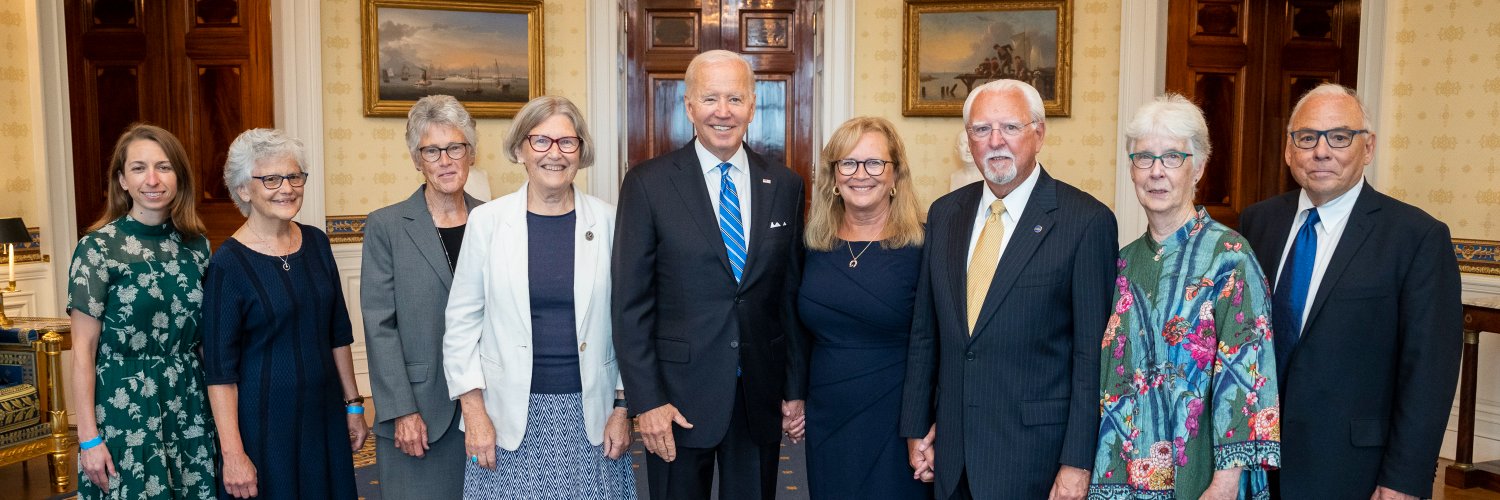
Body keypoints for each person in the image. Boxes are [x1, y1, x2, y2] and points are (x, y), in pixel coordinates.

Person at [1239, 83, 1462, 500]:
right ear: (1289, 150)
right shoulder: (1258, 222)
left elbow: (1429, 375)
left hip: (1354, 470)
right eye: (1307, 138)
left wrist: (1404, 480)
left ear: (1368, 147)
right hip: (1260, 461)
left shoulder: (1416, 237)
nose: (1321, 151)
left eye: (1339, 137)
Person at [899, 79, 1116, 499]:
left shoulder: (1086, 222)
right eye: (981, 130)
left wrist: (1078, 462)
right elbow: (926, 333)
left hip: (1036, 458)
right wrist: (915, 426)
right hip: (952, 453)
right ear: (969, 140)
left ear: (1039, 133)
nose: (995, 142)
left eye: (1010, 128)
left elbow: (1092, 357)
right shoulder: (945, 214)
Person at [612, 49, 809, 500]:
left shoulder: (785, 185)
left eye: (735, 99)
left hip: (757, 394)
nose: (723, 112)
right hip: (676, 399)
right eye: (711, 99)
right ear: (688, 107)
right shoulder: (648, 183)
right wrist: (648, 401)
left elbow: (789, 296)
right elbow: (630, 305)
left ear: (753, 107)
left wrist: (794, 388)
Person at [1088, 94, 1281, 498]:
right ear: (1132, 169)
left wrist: (1226, 483)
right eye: (1144, 158)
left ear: (1199, 168)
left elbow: (1247, 376)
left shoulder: (1230, 259)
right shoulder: (1119, 265)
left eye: (1173, 157)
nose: (1157, 172)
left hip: (1201, 480)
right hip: (1121, 476)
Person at [442, 95, 633, 498]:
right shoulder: (487, 223)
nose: (555, 154)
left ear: (581, 152)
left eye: (567, 142)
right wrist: (473, 413)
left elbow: (628, 322)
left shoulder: (611, 220)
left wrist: (622, 407)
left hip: (591, 414)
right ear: (520, 149)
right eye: (541, 141)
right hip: (507, 416)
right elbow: (461, 324)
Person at [203, 128, 368, 499]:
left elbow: (338, 333)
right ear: (244, 189)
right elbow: (219, 373)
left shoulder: (317, 243)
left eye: (294, 176)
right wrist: (233, 455)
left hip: (323, 415)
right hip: (264, 425)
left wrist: (354, 404)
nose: (287, 188)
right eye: (271, 178)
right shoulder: (227, 265)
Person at [66, 124, 218, 498]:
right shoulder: (97, 249)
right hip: (124, 406)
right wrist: (88, 439)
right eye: (138, 168)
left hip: (189, 401)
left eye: (164, 167)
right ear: (121, 180)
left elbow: (204, 341)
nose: (152, 179)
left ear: (179, 177)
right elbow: (83, 351)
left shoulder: (197, 246)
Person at [799, 117, 931, 500]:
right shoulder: (812, 245)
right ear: (834, 177)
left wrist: (926, 422)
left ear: (895, 176)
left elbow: (939, 340)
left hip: (898, 415)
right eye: (848, 163)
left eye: (875, 163)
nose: (861, 174)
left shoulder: (925, 245)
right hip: (828, 411)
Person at [361, 95, 484, 500]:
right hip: (418, 411)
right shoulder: (387, 226)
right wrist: (401, 410)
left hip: (490, 409)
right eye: (432, 150)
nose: (445, 160)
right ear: (417, 159)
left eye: (455, 147)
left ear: (470, 153)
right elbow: (380, 325)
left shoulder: (496, 220)